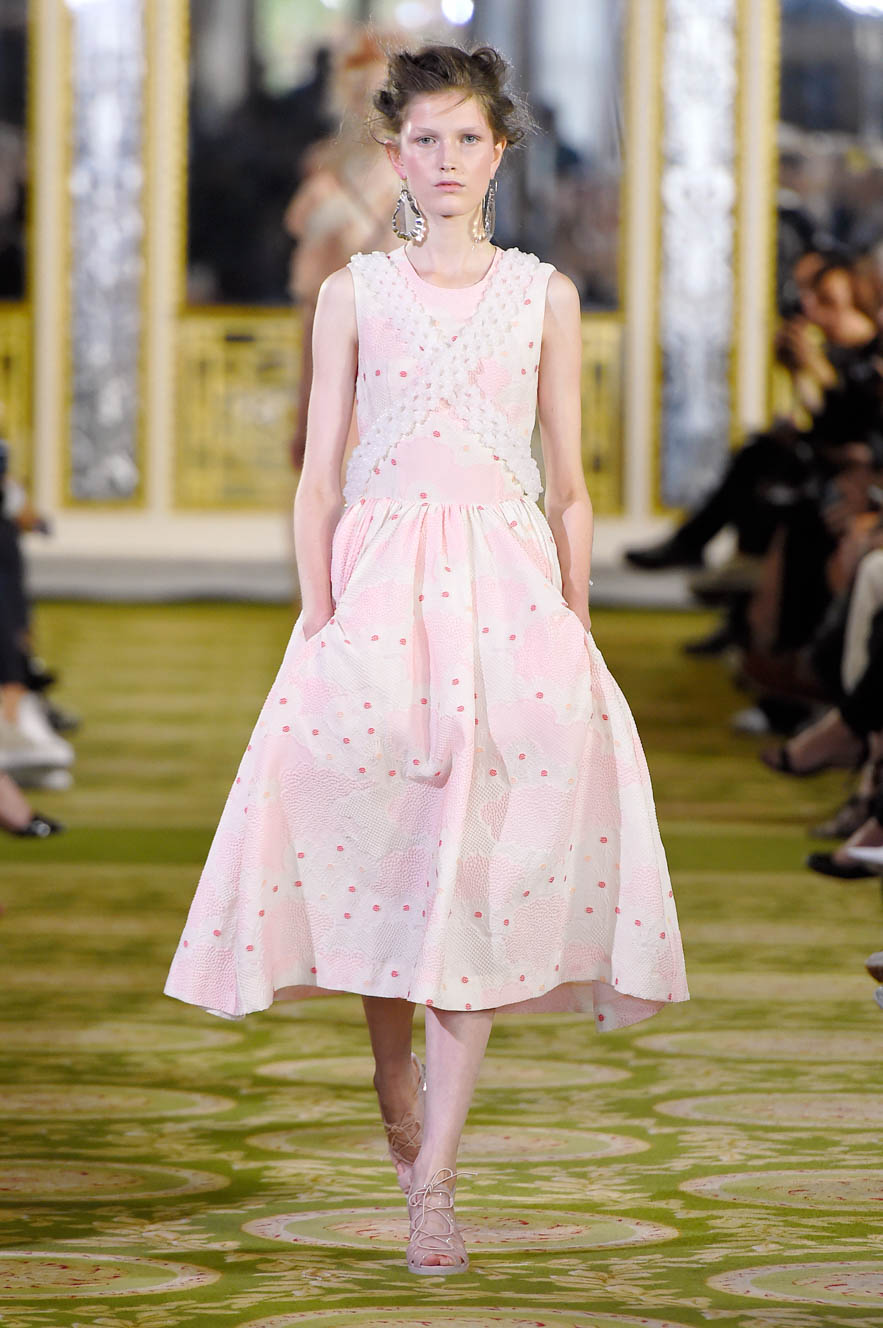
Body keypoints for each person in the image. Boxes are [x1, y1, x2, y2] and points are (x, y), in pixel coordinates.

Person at [164, 42, 688, 1277]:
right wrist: (319, 615)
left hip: (508, 594)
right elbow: (318, 475)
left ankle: (436, 1182)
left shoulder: (543, 295)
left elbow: (567, 481)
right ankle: (391, 1070)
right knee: (380, 847)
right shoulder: (355, 293)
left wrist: (573, 614)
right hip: (378, 595)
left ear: (499, 153)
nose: (445, 160)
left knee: (478, 874)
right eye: (424, 140)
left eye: (466, 139)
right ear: (392, 155)